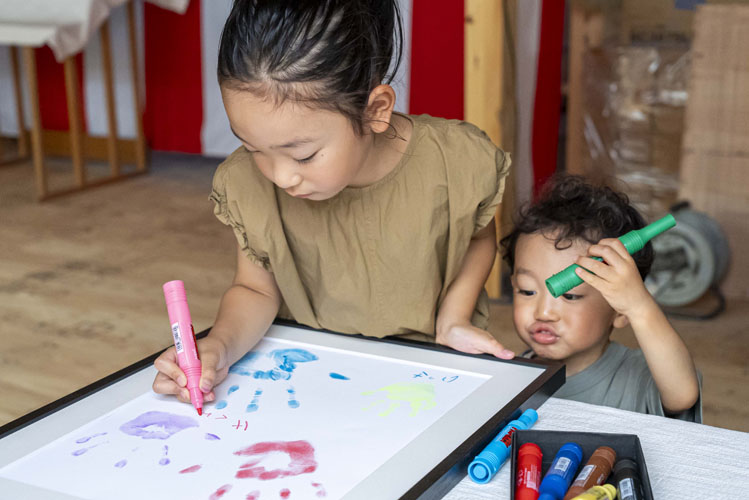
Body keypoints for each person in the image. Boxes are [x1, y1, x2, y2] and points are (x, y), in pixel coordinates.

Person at [152, 0, 514, 404]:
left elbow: (477, 237)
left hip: (427, 374)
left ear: (375, 110)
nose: (281, 176)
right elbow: (254, 289)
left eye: (304, 155)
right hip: (308, 379)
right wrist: (219, 345)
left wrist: (454, 317)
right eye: (252, 147)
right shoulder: (245, 184)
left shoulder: (456, 162)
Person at [500, 175, 701, 422]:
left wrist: (640, 307)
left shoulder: (641, 377)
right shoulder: (514, 376)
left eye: (571, 295)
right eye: (527, 290)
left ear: (619, 310)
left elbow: (682, 395)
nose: (543, 312)